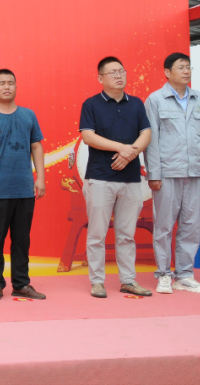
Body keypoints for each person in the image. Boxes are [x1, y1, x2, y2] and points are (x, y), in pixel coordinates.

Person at [79, 56, 153, 298]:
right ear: (100, 78)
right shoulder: (91, 104)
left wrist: (130, 154)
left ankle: (128, 280)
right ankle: (97, 282)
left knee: (126, 235)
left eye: (122, 71)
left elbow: (146, 133)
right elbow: (88, 137)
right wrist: (121, 148)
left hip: (130, 179)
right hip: (100, 178)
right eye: (113, 72)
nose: (119, 75)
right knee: (97, 234)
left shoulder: (136, 103)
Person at [144, 53, 200, 294]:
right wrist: (154, 173)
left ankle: (185, 275)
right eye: (181, 67)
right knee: (164, 225)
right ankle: (164, 274)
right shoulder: (155, 99)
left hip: (195, 171)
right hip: (167, 172)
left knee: (191, 225)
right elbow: (151, 139)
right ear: (167, 72)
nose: (186, 71)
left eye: (188, 67)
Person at [0, 69, 46, 302]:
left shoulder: (28, 115)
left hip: (24, 189)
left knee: (22, 240)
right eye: (1, 83)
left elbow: (36, 147)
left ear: (16, 87)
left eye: (11, 83)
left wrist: (40, 178)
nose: (7, 87)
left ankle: (21, 284)